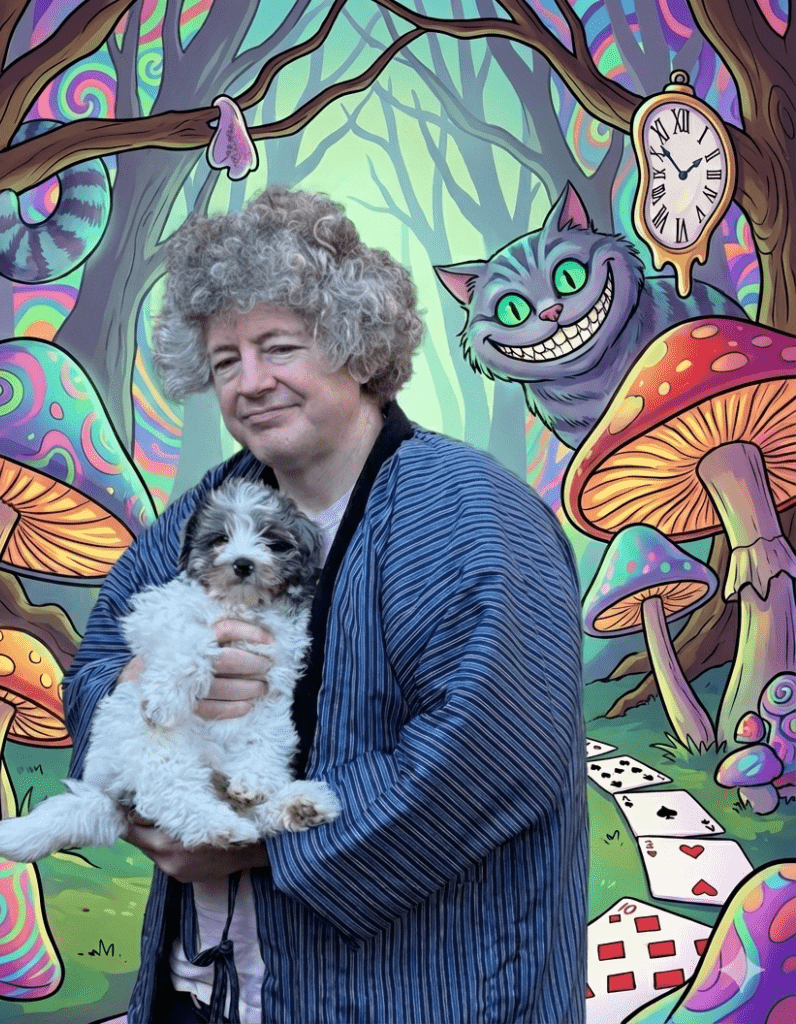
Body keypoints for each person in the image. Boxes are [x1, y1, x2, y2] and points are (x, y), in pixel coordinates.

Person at [63, 186, 588, 1024]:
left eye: (279, 347)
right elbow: (93, 666)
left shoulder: (472, 513)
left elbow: (486, 760)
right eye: (226, 359)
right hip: (209, 990)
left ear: (354, 343)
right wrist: (139, 699)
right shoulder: (218, 504)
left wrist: (251, 843)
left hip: (420, 995)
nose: (251, 382)